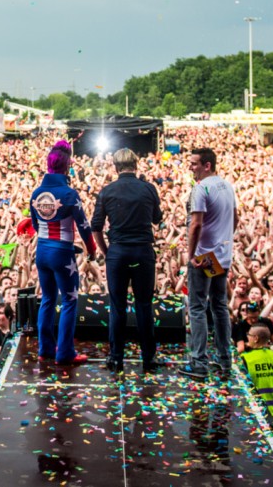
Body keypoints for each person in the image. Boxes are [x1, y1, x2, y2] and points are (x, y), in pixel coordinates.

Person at [92, 147, 163, 374]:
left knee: (117, 307)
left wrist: (106, 251)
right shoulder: (148, 189)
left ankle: (116, 359)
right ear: (136, 165)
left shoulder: (107, 191)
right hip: (142, 252)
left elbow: (96, 227)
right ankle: (149, 360)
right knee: (144, 305)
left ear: (115, 167)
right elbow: (157, 219)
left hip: (118, 253)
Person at [28, 140, 97, 365]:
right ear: (67, 166)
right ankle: (65, 352)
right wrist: (92, 250)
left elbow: (37, 225)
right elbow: (84, 226)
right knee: (69, 300)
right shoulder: (69, 194)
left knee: (47, 299)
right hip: (62, 253)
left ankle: (45, 349)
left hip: (42, 250)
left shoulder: (36, 193)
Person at [180, 147, 236, 380]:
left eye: (194, 164)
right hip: (222, 255)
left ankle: (199, 361)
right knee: (220, 306)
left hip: (203, 258)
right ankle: (224, 359)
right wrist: (223, 243)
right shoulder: (227, 186)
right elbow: (236, 219)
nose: (191, 167)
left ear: (207, 165)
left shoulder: (200, 188)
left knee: (197, 307)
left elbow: (196, 225)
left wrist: (192, 255)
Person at [238, 326, 273, 436]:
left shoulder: (246, 358)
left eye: (249, 335)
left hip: (259, 414)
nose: (247, 338)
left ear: (256, 338)